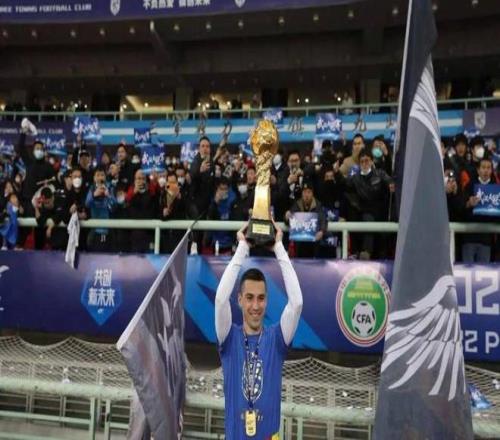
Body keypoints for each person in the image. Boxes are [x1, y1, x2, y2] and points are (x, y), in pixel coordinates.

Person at [215, 221, 303, 439]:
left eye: (261, 298)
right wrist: (242, 247)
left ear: (267, 300)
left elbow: (297, 303)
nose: (255, 306)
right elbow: (220, 300)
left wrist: (279, 247)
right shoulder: (229, 338)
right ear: (239, 300)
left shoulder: (276, 339)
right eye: (249, 298)